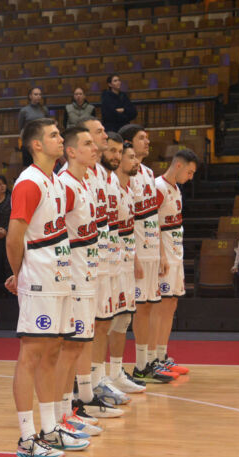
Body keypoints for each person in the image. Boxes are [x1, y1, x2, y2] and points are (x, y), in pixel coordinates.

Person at [4, 117, 83, 457]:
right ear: (36, 144)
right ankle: (26, 437)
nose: (60, 139)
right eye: (53, 135)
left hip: (58, 276)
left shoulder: (55, 182)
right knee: (32, 354)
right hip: (38, 277)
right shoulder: (29, 182)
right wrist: (19, 273)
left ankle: (50, 428)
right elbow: (14, 237)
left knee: (52, 352)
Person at [57, 126, 113, 431]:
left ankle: (73, 407)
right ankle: (63, 413)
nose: (96, 148)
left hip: (88, 272)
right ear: (71, 151)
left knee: (79, 345)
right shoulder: (65, 184)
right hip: (73, 276)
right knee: (69, 348)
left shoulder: (85, 181)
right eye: (88, 143)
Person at [78, 119, 131, 412]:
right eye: (97, 132)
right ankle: (83, 386)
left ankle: (96, 380)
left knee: (103, 323)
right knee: (87, 327)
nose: (103, 135)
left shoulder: (102, 173)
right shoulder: (75, 175)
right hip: (85, 263)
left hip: (106, 257)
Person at [120, 124, 174, 384]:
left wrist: (161, 253)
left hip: (153, 248)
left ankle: (151, 360)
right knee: (140, 309)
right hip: (137, 252)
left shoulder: (149, 173)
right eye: (141, 138)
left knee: (152, 305)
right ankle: (141, 365)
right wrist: (134, 257)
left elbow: (154, 217)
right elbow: (126, 219)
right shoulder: (126, 176)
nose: (147, 142)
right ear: (128, 143)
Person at [150, 149, 198, 377]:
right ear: (178, 165)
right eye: (189, 172)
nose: (191, 177)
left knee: (171, 304)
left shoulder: (176, 189)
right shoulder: (158, 187)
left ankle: (162, 355)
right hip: (164, 255)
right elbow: (151, 224)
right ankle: (152, 359)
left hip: (176, 252)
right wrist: (161, 255)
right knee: (160, 306)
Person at [107, 141, 147, 392]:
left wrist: (135, 259)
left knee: (123, 318)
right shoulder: (109, 186)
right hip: (111, 262)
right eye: (130, 157)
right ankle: (96, 376)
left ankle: (116, 372)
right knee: (106, 320)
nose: (136, 161)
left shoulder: (129, 189)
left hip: (126, 259)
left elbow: (129, 230)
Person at [19, 87, 49, 166]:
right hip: (29, 142)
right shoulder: (24, 110)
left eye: (39, 94)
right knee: (28, 165)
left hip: (42, 140)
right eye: (36, 94)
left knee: (42, 164)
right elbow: (21, 127)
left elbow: (47, 125)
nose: (38, 96)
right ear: (30, 96)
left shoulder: (44, 109)